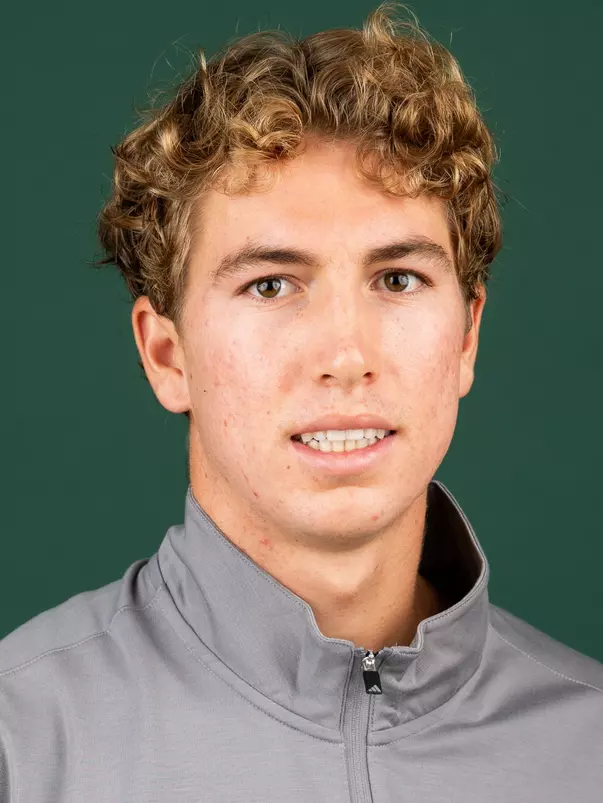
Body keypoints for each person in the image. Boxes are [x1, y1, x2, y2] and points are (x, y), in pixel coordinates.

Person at [1, 3, 602, 801]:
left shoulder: (587, 745)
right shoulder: (22, 740)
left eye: (397, 279)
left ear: (466, 337)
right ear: (165, 354)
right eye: (271, 284)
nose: (345, 355)